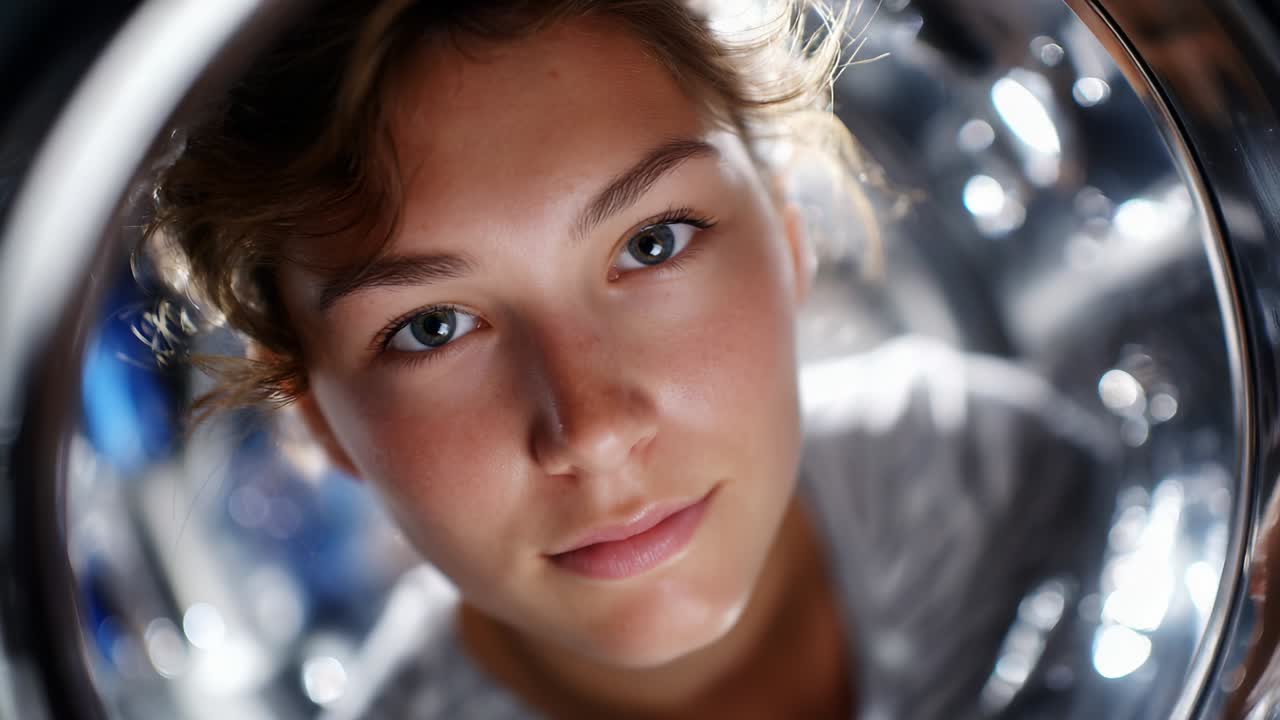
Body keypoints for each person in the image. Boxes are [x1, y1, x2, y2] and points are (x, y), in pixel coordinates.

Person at [142, 1, 1113, 717]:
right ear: (320, 422)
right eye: (429, 327)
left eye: (652, 243)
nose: (594, 431)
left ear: (784, 243)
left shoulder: (995, 487)